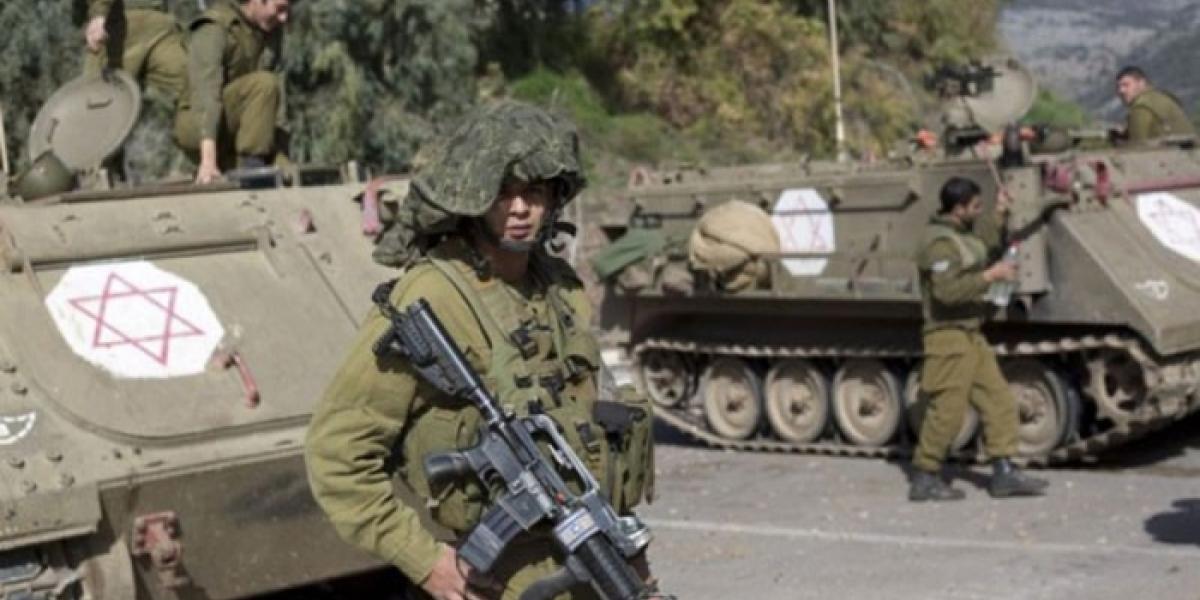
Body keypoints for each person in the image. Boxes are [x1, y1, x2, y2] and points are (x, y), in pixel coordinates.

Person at [305, 101, 657, 599]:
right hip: (492, 582)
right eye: (502, 193)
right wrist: (425, 561)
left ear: (555, 198)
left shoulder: (559, 287)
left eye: (534, 192)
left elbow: (593, 428)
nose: (520, 209)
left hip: (592, 567)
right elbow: (337, 455)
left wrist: (627, 548)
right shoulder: (431, 297)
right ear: (472, 198)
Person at [909, 176, 1049, 502]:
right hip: (947, 336)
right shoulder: (937, 243)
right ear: (958, 209)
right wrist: (990, 276)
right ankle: (925, 476)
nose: (979, 210)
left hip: (971, 335)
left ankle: (1004, 473)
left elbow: (982, 243)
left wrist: (999, 212)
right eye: (975, 206)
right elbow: (947, 292)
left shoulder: (962, 233)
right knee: (948, 411)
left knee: (998, 400)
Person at [173, 0, 291, 184]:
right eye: (279, 9)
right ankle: (253, 171)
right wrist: (208, 162)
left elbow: (277, 103)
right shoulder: (214, 27)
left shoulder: (270, 31)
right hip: (198, 125)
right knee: (264, 84)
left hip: (243, 128)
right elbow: (206, 95)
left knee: (288, 173)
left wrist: (282, 155)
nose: (284, 18)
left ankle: (250, 165)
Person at [82, 0, 187, 99]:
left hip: (159, 25)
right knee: (100, 96)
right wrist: (99, 14)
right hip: (121, 23)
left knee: (181, 90)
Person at [1114, 66, 1195, 145]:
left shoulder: (1141, 107)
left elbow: (1137, 147)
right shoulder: (1161, 97)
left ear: (1141, 83)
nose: (1121, 90)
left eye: (1126, 85)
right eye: (1118, 87)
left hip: (1174, 152)